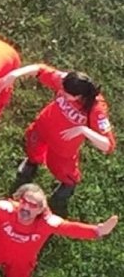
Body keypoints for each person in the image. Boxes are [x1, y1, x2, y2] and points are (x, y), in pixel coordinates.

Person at [8, 66, 115, 201]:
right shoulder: (65, 81)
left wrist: (83, 130)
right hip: (43, 126)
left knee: (60, 167)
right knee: (33, 145)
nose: (61, 92)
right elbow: (40, 69)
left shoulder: (96, 110)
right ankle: (32, 162)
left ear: (78, 96)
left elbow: (108, 145)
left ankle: (68, 183)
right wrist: (13, 75)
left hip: (63, 144)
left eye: (66, 94)